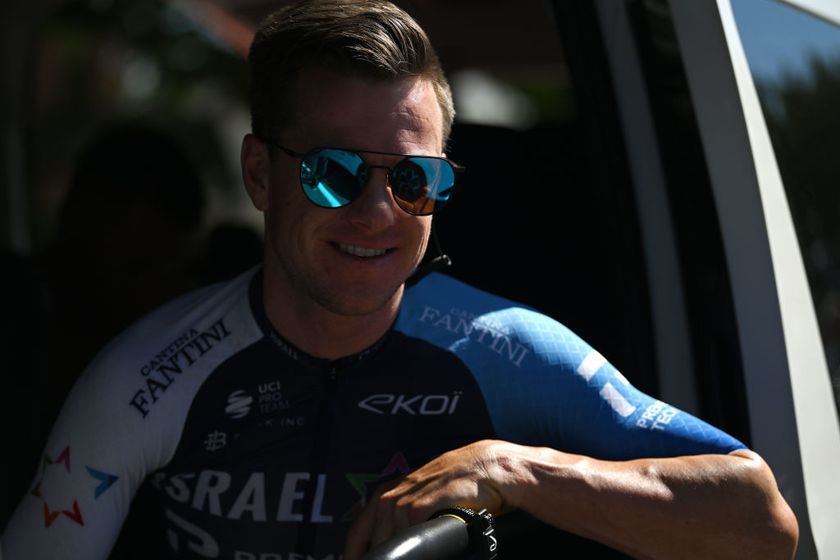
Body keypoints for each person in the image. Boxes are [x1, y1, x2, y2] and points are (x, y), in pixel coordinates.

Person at [1, 1, 798, 559]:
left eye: (414, 179)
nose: (378, 211)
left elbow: (760, 519)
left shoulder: (504, 349)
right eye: (335, 171)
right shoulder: (146, 376)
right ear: (260, 174)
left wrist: (516, 470)